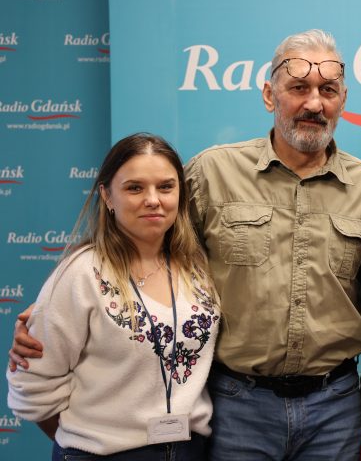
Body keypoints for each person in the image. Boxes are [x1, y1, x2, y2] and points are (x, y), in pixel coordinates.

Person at [10, 29, 361, 460]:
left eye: (328, 90)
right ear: (270, 95)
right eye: (298, 88)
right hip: (238, 404)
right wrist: (55, 312)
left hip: (335, 406)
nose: (313, 103)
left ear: (343, 99)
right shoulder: (212, 172)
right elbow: (150, 245)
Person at [6, 133, 219, 460]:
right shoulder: (81, 274)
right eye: (135, 188)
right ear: (107, 195)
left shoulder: (197, 267)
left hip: (190, 449)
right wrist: (88, 443)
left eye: (165, 187)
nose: (153, 200)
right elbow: (33, 387)